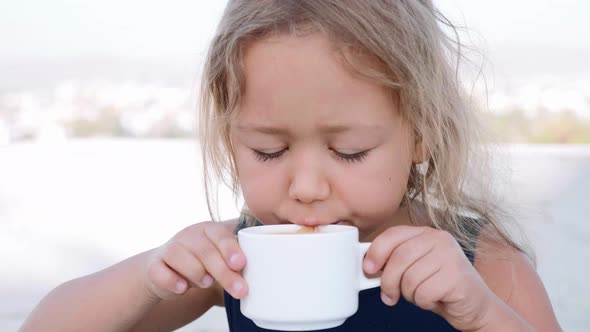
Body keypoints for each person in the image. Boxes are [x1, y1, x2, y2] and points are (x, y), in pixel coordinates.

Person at [21, 1, 562, 331]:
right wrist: (149, 278)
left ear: (422, 132)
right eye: (268, 151)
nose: (304, 188)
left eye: (349, 152)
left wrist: (482, 314)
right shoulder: (240, 262)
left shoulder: (481, 264)